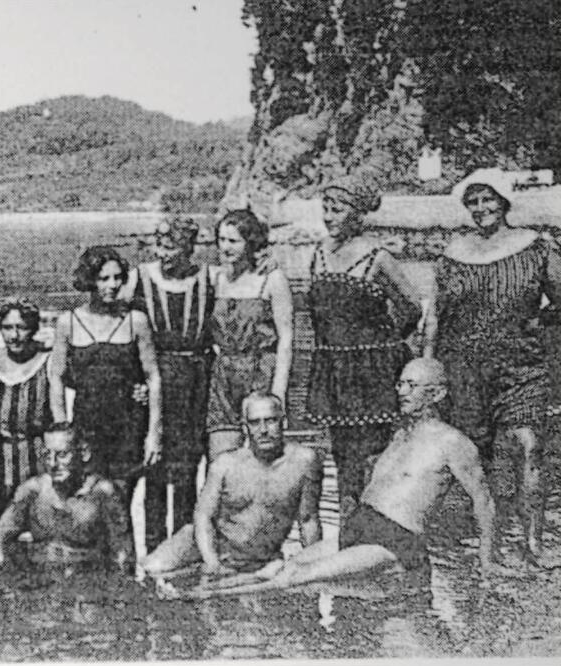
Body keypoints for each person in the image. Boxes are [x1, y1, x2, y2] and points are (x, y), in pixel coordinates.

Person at [206, 359, 504, 596]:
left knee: (295, 578)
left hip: (394, 541)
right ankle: (205, 587)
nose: (401, 392)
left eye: (412, 386)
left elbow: (484, 502)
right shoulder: (400, 434)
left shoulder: (453, 442)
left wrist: (487, 562)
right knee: (285, 565)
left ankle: (198, 600)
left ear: (437, 393)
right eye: (400, 384)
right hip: (360, 526)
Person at [424, 168, 561, 566]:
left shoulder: (536, 247)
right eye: (473, 201)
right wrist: (429, 363)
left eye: (488, 199)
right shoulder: (452, 253)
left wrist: (536, 325)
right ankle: (486, 544)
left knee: (527, 446)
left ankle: (533, 543)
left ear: (504, 202)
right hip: (463, 368)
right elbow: (435, 316)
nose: (481, 208)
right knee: (474, 456)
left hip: (520, 366)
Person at [306, 176, 423, 528]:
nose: (329, 217)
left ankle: (379, 531)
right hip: (334, 368)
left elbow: (412, 308)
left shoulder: (378, 257)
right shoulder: (318, 253)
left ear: (357, 214)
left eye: (337, 210)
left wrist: (387, 346)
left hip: (374, 370)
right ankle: (347, 530)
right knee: (343, 456)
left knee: (375, 454)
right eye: (325, 208)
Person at [142, 391, 321, 577]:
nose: (263, 430)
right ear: (245, 428)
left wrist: (314, 565)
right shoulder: (225, 465)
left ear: (283, 423)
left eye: (270, 421)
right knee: (152, 569)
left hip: (260, 557)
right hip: (202, 545)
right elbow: (203, 516)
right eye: (254, 422)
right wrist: (212, 562)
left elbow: (308, 519)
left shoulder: (303, 461)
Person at [122, 216, 215, 550]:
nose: (163, 253)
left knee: (188, 467)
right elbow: (118, 329)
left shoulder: (208, 277)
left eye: (172, 246)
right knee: (155, 467)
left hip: (196, 379)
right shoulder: (139, 278)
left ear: (190, 247)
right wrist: (133, 379)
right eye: (159, 245)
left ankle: (184, 546)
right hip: (155, 378)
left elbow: (247, 279)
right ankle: (152, 545)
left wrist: (265, 261)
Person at [50, 245, 162, 483]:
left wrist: (153, 433)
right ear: (89, 280)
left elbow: (153, 377)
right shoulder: (68, 322)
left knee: (121, 502)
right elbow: (56, 378)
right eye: (104, 279)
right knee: (87, 498)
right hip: (86, 426)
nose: (112, 285)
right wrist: (61, 429)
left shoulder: (136, 321)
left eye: (117, 278)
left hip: (128, 425)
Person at [206, 210, 294, 457]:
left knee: (262, 458)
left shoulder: (272, 279)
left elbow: (286, 340)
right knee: (220, 458)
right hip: (223, 376)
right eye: (221, 240)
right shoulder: (215, 278)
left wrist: (279, 393)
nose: (225, 247)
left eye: (233, 241)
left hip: (260, 372)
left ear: (251, 243)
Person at [0, 423, 132, 569]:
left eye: (62, 455)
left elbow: (121, 549)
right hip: (41, 580)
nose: (52, 463)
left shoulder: (101, 493)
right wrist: (3, 570)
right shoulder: (33, 490)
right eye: (47, 455)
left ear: (84, 453)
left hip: (87, 581)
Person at [0, 298, 53, 524]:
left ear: (34, 329)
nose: (14, 335)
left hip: (33, 470)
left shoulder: (49, 361)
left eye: (22, 328)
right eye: (8, 328)